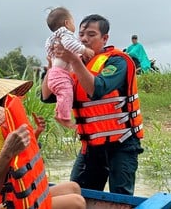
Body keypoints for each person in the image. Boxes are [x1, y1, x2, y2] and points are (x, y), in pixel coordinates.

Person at [42, 14, 144, 195]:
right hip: (90, 147)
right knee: (75, 195)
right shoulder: (72, 64)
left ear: (104, 38)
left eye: (91, 35)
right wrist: (53, 67)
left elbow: (97, 89)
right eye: (81, 35)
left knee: (120, 198)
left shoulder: (118, 61)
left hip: (121, 145)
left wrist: (73, 60)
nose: (84, 39)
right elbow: (46, 95)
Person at [0, 78, 86, 209]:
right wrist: (10, 150)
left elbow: (23, 155)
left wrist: (36, 133)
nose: (18, 97)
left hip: (22, 190)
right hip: (9, 199)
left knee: (74, 187)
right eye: (13, 94)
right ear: (3, 99)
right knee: (77, 202)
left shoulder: (8, 122)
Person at [44, 7, 94, 129]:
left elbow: (48, 48)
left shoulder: (53, 38)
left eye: (91, 34)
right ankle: (64, 118)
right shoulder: (65, 34)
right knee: (66, 93)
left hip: (56, 74)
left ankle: (59, 112)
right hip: (60, 74)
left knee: (63, 95)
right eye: (73, 22)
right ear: (67, 23)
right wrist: (84, 50)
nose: (82, 39)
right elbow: (70, 44)